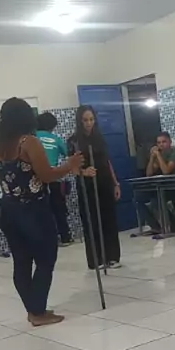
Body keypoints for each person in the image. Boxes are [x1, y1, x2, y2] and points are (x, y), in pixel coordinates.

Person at [0, 98, 83, 325]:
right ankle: (37, 312)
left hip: (9, 211)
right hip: (34, 211)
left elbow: (1, 182)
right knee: (45, 260)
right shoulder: (28, 142)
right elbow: (47, 176)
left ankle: (34, 311)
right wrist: (69, 165)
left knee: (21, 263)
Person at [68, 105, 121, 269]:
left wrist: (116, 183)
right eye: (85, 120)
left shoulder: (100, 138)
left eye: (91, 119)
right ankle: (96, 259)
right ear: (80, 121)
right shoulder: (74, 141)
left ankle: (112, 257)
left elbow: (107, 162)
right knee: (91, 221)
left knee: (109, 220)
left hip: (104, 182)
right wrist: (84, 172)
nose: (89, 123)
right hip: (87, 186)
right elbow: (71, 166)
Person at [138, 131, 175, 234]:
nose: (161, 145)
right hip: (164, 187)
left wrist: (158, 155)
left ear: (170, 142)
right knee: (139, 197)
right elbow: (149, 174)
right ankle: (155, 226)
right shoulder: (160, 155)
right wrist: (152, 158)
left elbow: (166, 171)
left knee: (156, 201)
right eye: (159, 143)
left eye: (164, 142)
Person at [36, 112, 73, 246]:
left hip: (37, 179)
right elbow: (69, 154)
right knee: (59, 209)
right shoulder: (56, 139)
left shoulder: (32, 138)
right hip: (54, 177)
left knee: (41, 210)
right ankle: (65, 237)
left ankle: (45, 239)